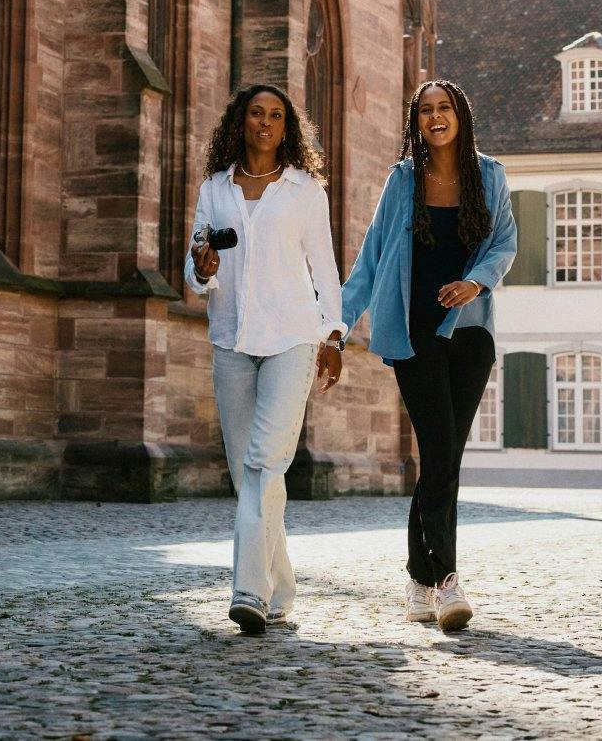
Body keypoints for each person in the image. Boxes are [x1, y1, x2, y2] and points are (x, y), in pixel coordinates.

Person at [340, 80, 517, 632]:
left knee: (444, 459)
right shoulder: (403, 180)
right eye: (425, 110)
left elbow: (505, 242)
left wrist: (476, 282)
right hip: (414, 335)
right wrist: (337, 326)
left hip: (469, 334)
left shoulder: (490, 175)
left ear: (460, 115)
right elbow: (371, 258)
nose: (435, 117)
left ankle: (419, 576)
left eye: (444, 108)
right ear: (416, 121)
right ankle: (446, 582)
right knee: (439, 452)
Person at [185, 84, 347, 634]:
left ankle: (248, 592)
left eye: (276, 116)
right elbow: (195, 270)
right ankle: (280, 588)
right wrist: (203, 268)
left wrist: (335, 336)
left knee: (264, 462)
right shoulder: (214, 189)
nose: (266, 123)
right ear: (241, 121)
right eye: (257, 113)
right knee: (245, 473)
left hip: (292, 339)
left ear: (287, 127)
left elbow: (325, 270)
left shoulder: (306, 192)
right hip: (231, 339)